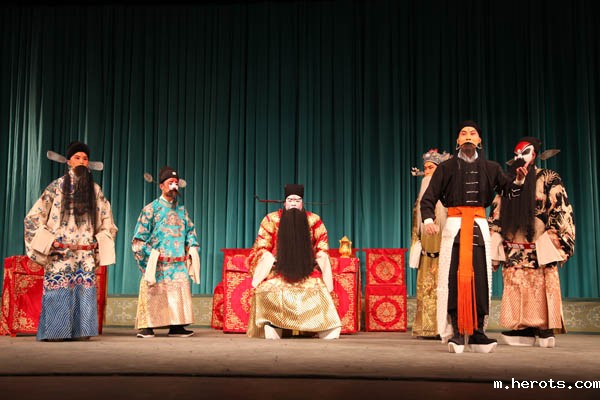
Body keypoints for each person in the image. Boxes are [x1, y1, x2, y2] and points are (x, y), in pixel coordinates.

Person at [420, 121, 529, 353]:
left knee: (480, 279)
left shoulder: (491, 167)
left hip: (479, 227)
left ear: (479, 140)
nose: (468, 136)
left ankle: (478, 331)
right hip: (455, 228)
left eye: (472, 133)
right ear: (457, 141)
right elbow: (428, 198)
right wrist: (428, 220)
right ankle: (457, 332)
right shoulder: (446, 168)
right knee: (453, 279)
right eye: (463, 133)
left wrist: (519, 180)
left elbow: (509, 191)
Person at [24, 141, 118, 341]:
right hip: (60, 252)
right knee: (58, 289)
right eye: (77, 157)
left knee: (84, 290)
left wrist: (101, 241)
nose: (82, 161)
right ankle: (56, 332)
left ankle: (82, 331)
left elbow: (107, 220)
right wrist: (49, 241)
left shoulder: (95, 190)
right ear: (68, 161)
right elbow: (33, 217)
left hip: (85, 252)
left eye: (85, 158)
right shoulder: (56, 187)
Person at [488, 137, 575, 348]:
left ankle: (544, 327)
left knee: (541, 286)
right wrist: (495, 237)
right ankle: (522, 328)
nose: (520, 157)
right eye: (516, 154)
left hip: (540, 246)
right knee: (516, 286)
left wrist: (552, 240)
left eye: (525, 153)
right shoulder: (508, 181)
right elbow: (497, 211)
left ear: (534, 155)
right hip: (513, 247)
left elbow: (559, 209)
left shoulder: (548, 178)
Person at [246, 184, 342, 339]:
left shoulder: (314, 220)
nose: (293, 204)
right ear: (284, 202)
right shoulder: (271, 219)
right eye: (290, 200)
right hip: (278, 270)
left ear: (302, 203)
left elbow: (322, 246)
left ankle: (325, 329)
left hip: (306, 270)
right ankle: (274, 325)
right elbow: (261, 246)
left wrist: (315, 259)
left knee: (319, 291)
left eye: (297, 200)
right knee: (266, 290)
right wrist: (273, 260)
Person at [132, 166, 200, 338]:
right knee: (154, 292)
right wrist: (151, 255)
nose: (174, 186)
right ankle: (147, 326)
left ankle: (177, 326)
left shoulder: (182, 210)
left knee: (178, 291)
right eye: (170, 183)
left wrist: (192, 246)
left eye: (176, 183)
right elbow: (139, 239)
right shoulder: (151, 209)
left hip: (177, 262)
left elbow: (190, 231)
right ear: (161, 186)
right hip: (158, 262)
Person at [409, 149, 451, 339]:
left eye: (431, 168)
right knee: (426, 288)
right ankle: (426, 327)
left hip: (443, 252)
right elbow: (415, 229)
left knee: (443, 288)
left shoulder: (448, 198)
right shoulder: (420, 201)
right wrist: (416, 247)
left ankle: (443, 327)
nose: (427, 172)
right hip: (426, 253)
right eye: (425, 168)